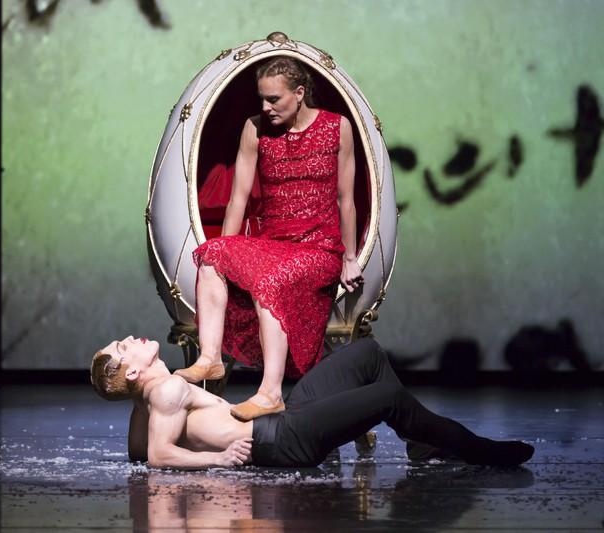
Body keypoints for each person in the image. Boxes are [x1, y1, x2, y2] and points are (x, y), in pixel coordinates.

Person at [175, 57, 363, 421]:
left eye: (274, 99)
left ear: (299, 93)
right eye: (262, 98)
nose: (266, 106)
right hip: (273, 245)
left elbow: (346, 200)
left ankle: (270, 393)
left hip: (319, 248)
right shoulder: (255, 128)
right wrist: (228, 253)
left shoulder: (337, 127)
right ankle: (210, 358)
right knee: (211, 254)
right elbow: (238, 199)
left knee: (269, 281)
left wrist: (350, 257)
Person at [90, 335, 535, 469]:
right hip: (282, 440)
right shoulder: (165, 392)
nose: (129, 338)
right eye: (123, 347)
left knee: (367, 353)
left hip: (281, 419)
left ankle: (421, 442)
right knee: (387, 396)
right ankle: (476, 449)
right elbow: (157, 455)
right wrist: (219, 458)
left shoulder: (150, 399)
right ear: (132, 372)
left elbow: (138, 451)